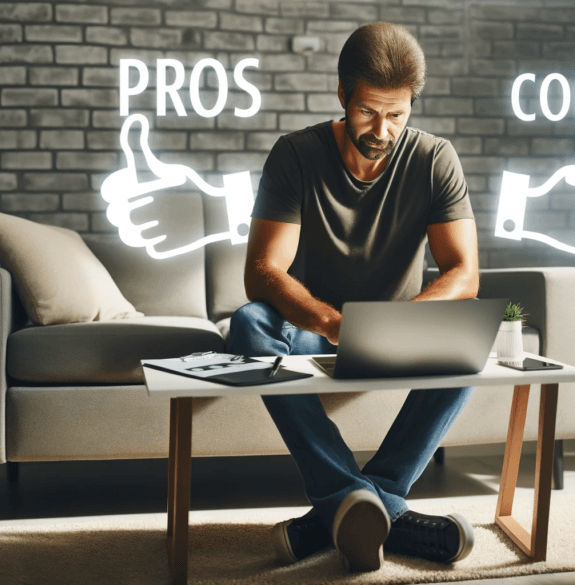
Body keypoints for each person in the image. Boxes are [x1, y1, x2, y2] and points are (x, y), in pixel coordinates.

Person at [228, 22, 480, 573]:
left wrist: (402, 323)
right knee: (248, 323)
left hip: (399, 330)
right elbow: (262, 270)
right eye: (368, 111)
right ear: (342, 94)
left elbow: (463, 272)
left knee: (469, 343)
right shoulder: (295, 155)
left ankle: (348, 508)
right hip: (312, 327)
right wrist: (332, 322)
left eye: (398, 114)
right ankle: (379, 508)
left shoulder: (435, 158)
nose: (383, 130)